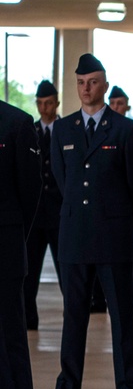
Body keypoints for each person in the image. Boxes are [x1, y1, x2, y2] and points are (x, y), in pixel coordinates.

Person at [44, 53, 133, 389]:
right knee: (74, 315)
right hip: (73, 234)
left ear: (104, 85)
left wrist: (119, 219)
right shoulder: (63, 129)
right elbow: (62, 179)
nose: (86, 89)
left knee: (121, 314)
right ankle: (68, 387)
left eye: (92, 82)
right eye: (80, 82)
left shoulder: (126, 130)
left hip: (113, 235)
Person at [0, 97, 42, 389]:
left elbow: (31, 191)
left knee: (11, 339)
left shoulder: (16, 122)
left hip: (3, 250)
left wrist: (14, 236)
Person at [24, 80, 62, 330]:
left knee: (67, 273)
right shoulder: (30, 130)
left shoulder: (66, 129)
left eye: (48, 103)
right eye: (39, 103)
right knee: (29, 272)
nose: (43, 108)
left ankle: (74, 317)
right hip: (36, 213)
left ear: (56, 103)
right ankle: (28, 319)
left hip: (59, 213)